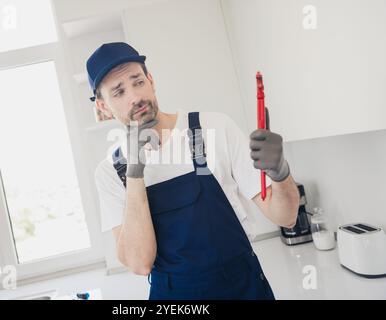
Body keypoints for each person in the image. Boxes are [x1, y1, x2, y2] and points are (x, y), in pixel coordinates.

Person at [87, 42, 299, 300]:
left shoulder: (215, 128)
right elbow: (140, 263)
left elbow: (286, 217)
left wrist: (280, 173)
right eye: (118, 92)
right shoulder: (110, 171)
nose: (135, 97)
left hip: (244, 289)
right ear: (103, 107)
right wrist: (134, 174)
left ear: (151, 80)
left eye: (138, 82)